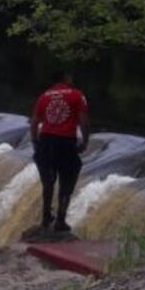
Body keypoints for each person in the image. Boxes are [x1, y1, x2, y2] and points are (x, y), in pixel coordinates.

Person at [30, 71, 90, 232]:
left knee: (48, 182)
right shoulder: (77, 95)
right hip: (66, 143)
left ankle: (45, 217)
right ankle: (60, 221)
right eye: (70, 76)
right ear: (66, 78)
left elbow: (34, 122)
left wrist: (36, 142)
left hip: (46, 142)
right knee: (67, 180)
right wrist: (85, 141)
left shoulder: (44, 96)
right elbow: (83, 121)